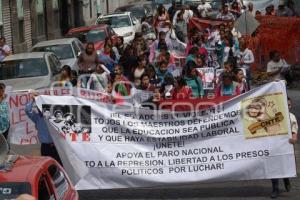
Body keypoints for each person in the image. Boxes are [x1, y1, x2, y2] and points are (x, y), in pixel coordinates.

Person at [270, 96, 298, 198]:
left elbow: (294, 130)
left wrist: (294, 138)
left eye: (289, 105)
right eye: (286, 104)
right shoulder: (274, 116)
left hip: (286, 145)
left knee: (284, 165)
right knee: (273, 167)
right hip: (273, 145)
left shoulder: (292, 117)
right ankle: (275, 188)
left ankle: (286, 179)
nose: (288, 106)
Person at [25, 92, 62, 166]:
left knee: (59, 165)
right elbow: (27, 110)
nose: (40, 109)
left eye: (41, 107)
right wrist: (34, 100)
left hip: (56, 146)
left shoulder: (54, 117)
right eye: (38, 107)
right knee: (47, 165)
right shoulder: (37, 118)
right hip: (45, 147)